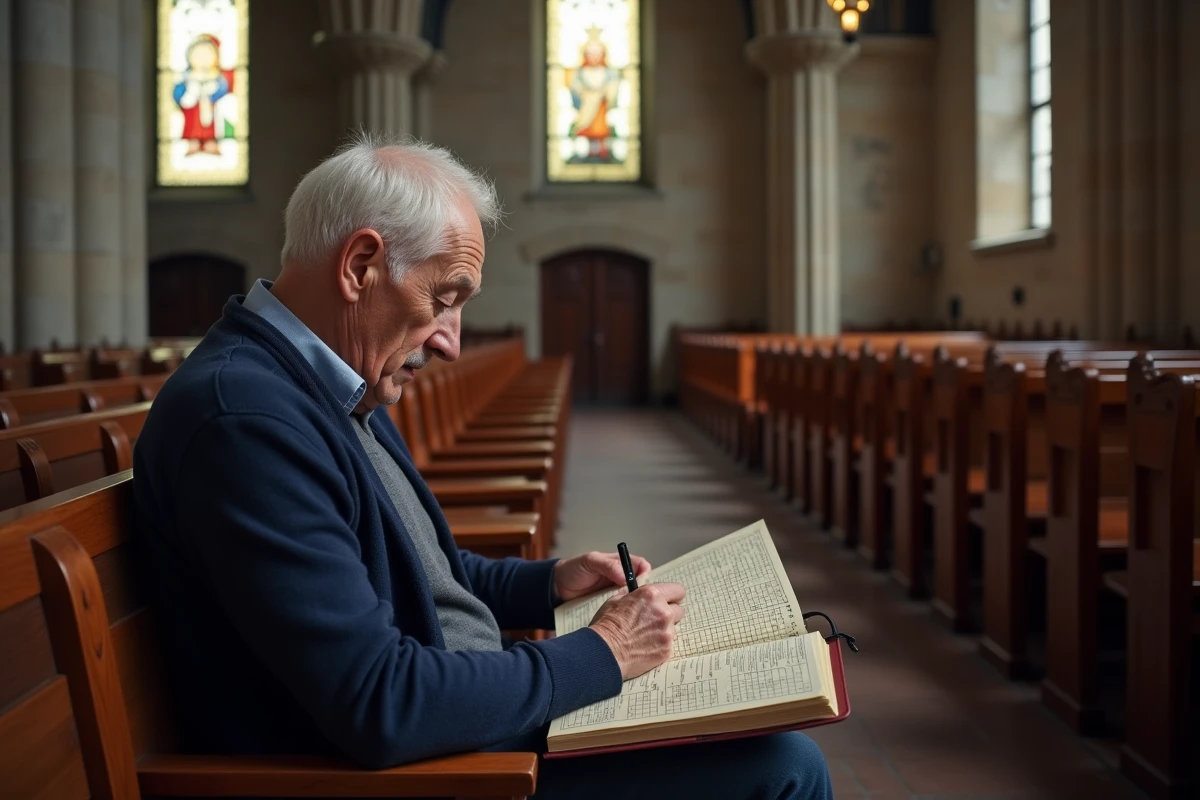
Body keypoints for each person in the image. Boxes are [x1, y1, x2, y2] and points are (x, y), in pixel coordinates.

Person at [133, 134, 833, 799]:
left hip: (463, 728)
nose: (450, 343)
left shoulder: (323, 388)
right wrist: (603, 654)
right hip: (428, 777)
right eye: (444, 299)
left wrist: (547, 584)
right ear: (359, 266)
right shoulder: (247, 421)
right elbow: (379, 703)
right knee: (782, 769)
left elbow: (419, 574)